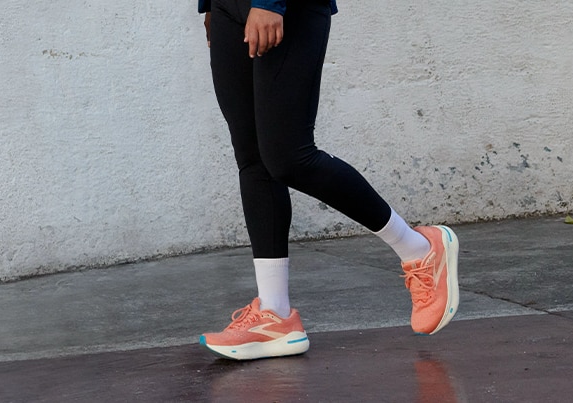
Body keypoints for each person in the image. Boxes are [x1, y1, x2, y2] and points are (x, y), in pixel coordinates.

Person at [197, 0, 459, 360]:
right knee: (253, 157)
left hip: (284, 6)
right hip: (227, 7)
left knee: (290, 157)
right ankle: (275, 315)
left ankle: (418, 248)